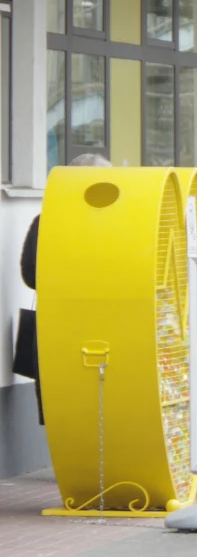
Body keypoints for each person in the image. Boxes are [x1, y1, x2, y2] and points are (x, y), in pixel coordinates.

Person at [16, 152, 113, 424]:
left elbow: (29, 275)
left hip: (56, 327)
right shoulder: (118, 225)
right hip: (107, 326)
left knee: (60, 399)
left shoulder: (45, 221)